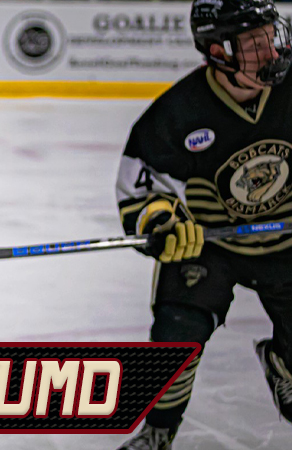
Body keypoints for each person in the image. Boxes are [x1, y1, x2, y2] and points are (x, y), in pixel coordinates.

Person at [115, 0, 292, 448]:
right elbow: (143, 191)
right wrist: (164, 224)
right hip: (208, 245)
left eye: (270, 37)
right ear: (218, 51)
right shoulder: (177, 113)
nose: (272, 51)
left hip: (287, 242)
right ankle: (159, 430)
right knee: (176, 333)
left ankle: (283, 362)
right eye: (254, 44)